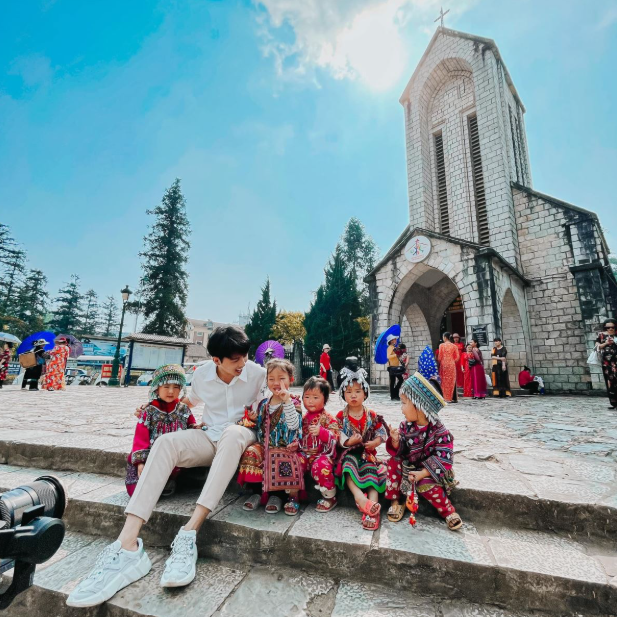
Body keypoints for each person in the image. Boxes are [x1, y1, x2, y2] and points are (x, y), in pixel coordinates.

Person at [67, 326, 266, 608]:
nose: (242, 363)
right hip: (209, 436)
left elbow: (271, 407)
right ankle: (127, 545)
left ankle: (189, 532)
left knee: (233, 433)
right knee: (166, 443)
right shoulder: (202, 375)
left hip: (242, 436)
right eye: (235, 359)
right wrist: (152, 407)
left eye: (245, 356)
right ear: (216, 360)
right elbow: (188, 401)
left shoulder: (257, 374)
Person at [385, 372, 462, 530]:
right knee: (393, 463)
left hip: (428, 472)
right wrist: (395, 440)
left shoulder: (440, 431)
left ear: (419, 406)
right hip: (409, 467)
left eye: (404, 403)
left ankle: (448, 511)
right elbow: (401, 450)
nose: (402, 409)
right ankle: (396, 502)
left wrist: (423, 473)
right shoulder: (405, 426)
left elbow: (444, 457)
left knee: (424, 484)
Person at [237, 358, 303, 516]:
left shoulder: (294, 402)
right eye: (271, 378)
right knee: (252, 451)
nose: (276, 382)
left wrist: (286, 400)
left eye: (281, 378)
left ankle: (278, 496)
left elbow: (294, 425)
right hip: (265, 444)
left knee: (281, 457)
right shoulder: (264, 403)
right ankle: (257, 492)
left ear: (291, 380)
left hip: (285, 445)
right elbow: (260, 425)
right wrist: (253, 419)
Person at [125, 365, 200, 497]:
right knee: (138, 489)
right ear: (157, 388)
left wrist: (197, 428)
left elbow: (191, 427)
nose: (171, 391)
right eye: (166, 387)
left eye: (176, 387)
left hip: (175, 456)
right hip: (151, 455)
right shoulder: (148, 411)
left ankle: (171, 482)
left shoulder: (184, 410)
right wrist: (140, 462)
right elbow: (140, 438)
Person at [335, 364, 388, 531]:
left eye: (358, 391)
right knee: (348, 467)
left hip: (368, 455)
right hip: (350, 454)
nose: (353, 395)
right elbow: (337, 436)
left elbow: (381, 432)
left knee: (373, 476)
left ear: (365, 393)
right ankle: (360, 498)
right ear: (343, 394)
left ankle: (373, 508)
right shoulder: (340, 416)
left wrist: (376, 442)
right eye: (349, 392)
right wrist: (349, 442)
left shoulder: (371, 415)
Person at [298, 376, 340, 512]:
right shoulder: (302, 418)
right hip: (305, 453)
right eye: (307, 397)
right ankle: (293, 494)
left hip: (322, 455)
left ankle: (329, 497)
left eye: (315, 397)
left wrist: (321, 432)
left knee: (321, 466)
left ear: (325, 399)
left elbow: (336, 437)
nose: (310, 401)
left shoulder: (328, 418)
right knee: (293, 461)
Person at [596, 318, 617, 409]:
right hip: (607, 363)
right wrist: (606, 343)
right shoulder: (601, 336)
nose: (610, 329)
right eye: (607, 327)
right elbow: (597, 347)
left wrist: (615, 342)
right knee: (610, 382)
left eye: (612, 327)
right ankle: (614, 402)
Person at [437, 332, 459, 403]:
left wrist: (442, 361)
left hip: (444, 364)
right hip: (451, 364)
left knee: (444, 381)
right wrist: (452, 361)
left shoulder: (441, 345)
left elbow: (439, 357)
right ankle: (453, 397)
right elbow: (457, 357)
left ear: (445, 337)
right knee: (452, 381)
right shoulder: (454, 346)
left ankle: (445, 397)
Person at [387, 335, 404, 400]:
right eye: (394, 339)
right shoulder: (390, 348)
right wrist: (395, 355)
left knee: (400, 380)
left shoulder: (394, 347)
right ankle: (393, 395)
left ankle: (395, 394)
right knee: (393, 381)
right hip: (392, 367)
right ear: (391, 341)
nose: (395, 340)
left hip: (396, 366)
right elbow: (389, 356)